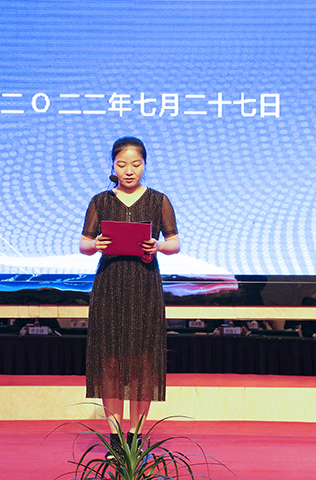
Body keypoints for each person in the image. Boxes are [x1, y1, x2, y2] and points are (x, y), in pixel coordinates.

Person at [79, 136, 180, 454]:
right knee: (109, 361)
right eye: (122, 164)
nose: (129, 170)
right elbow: (83, 245)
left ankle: (135, 436)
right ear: (113, 165)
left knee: (142, 362)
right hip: (109, 285)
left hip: (144, 285)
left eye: (136, 164)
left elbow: (175, 243)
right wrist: (96, 245)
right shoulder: (100, 201)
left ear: (144, 165)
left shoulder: (158, 200)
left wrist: (158, 245)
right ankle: (114, 437)